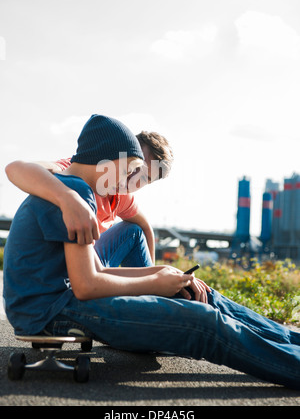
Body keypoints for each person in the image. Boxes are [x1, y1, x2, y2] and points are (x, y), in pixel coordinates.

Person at [3, 114, 300, 390]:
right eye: (132, 169)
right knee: (204, 323)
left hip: (57, 300)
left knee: (198, 298)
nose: (131, 182)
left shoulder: (83, 190)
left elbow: (96, 272)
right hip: (50, 311)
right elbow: (86, 285)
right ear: (109, 159)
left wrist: (160, 273)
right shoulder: (74, 191)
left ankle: (293, 342)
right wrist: (155, 285)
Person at [5, 128, 174, 265]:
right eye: (135, 167)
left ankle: (155, 292)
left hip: (90, 262)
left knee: (133, 231)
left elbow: (145, 226)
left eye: (144, 178)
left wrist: (154, 272)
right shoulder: (80, 172)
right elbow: (15, 169)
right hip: (59, 269)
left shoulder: (122, 195)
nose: (132, 177)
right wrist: (68, 197)